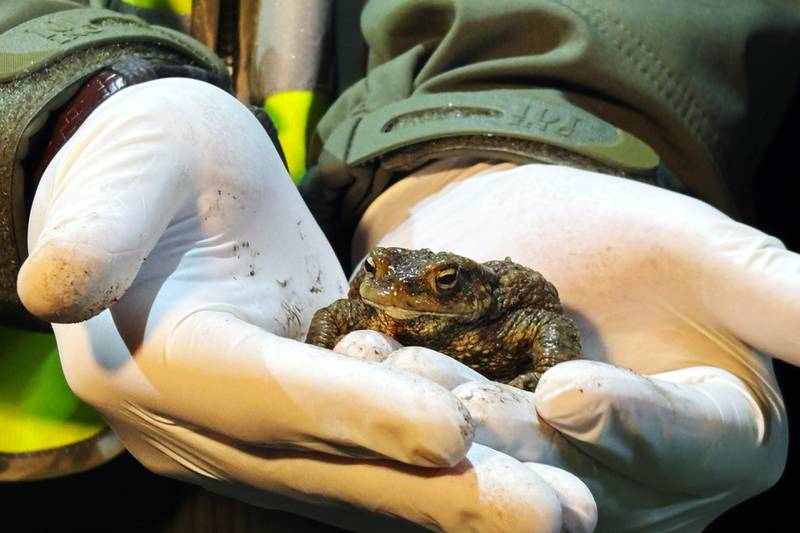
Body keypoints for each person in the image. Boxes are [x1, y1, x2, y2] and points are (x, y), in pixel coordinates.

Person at [3, 0, 800, 531]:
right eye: (388, 284)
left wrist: (538, 120)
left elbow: (541, 318)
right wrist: (64, 112)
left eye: (433, 286)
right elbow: (345, 310)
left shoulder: (496, 305)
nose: (396, 297)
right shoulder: (382, 296)